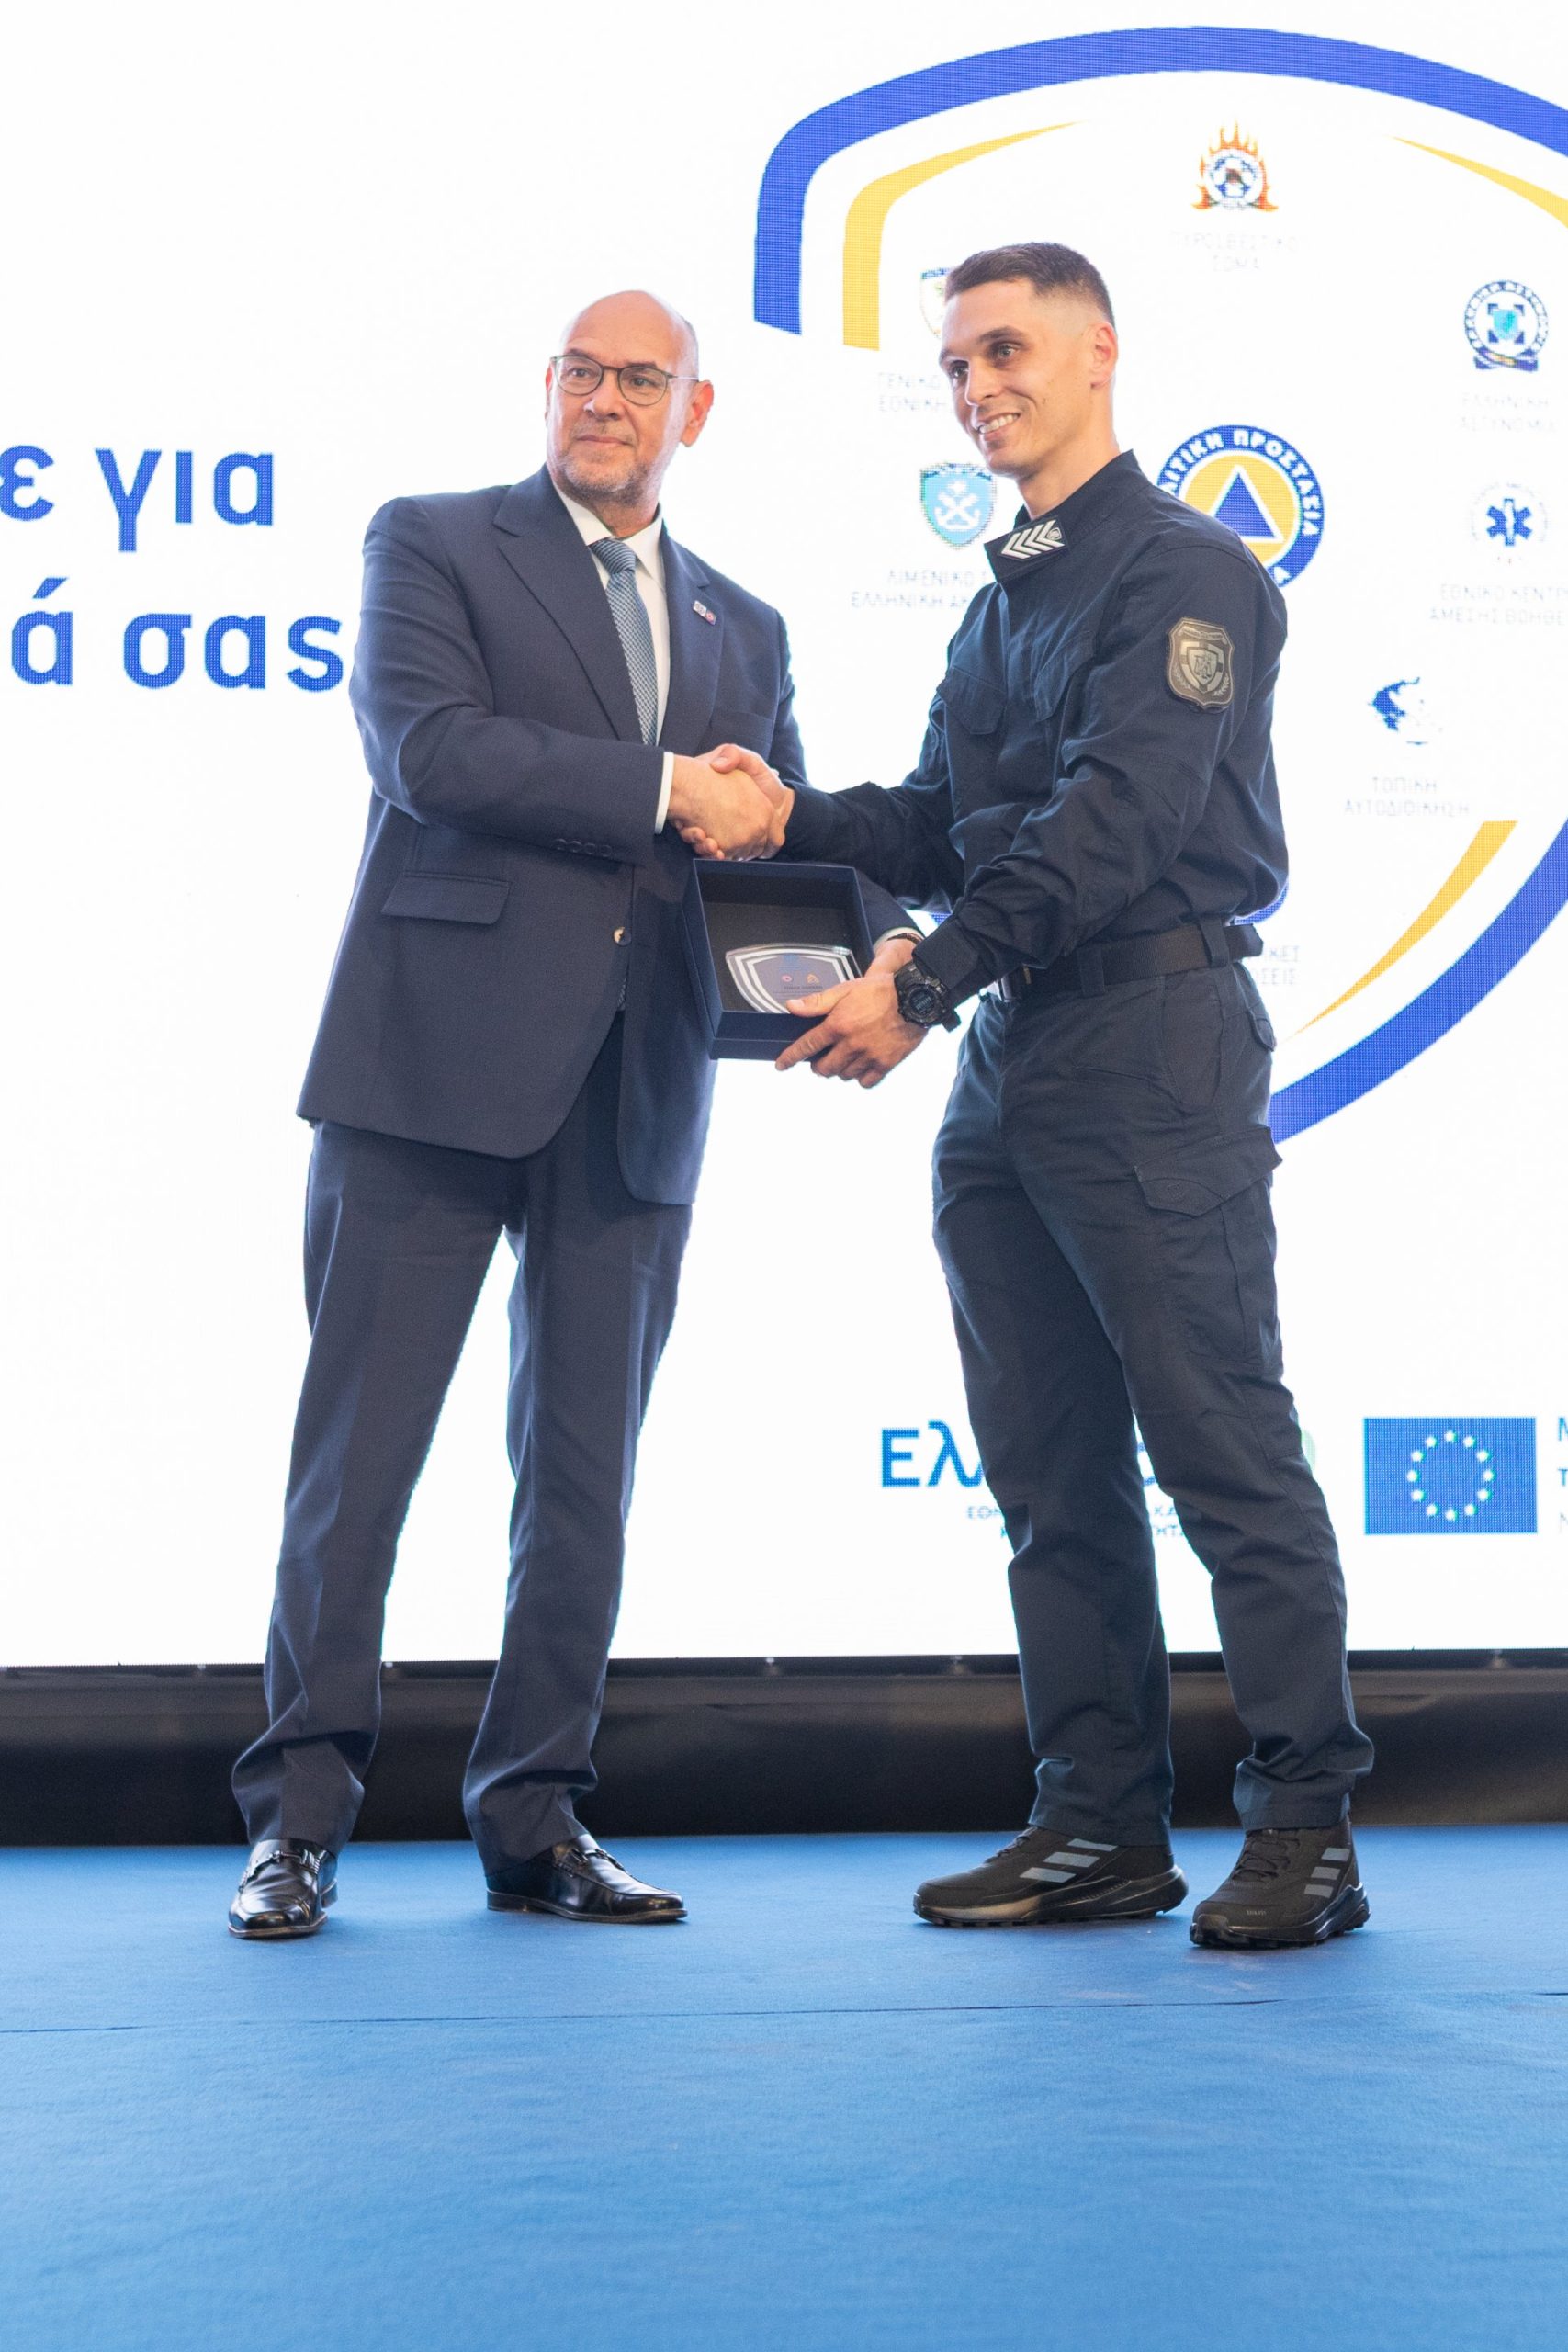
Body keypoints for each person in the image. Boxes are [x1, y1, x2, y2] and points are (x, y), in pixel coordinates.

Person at [708, 243, 1374, 1949]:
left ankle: (1308, 1827)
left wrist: (922, 983)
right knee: (1048, 1471)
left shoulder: (1188, 572)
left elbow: (1115, 824)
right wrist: (792, 821)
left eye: (1005, 350)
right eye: (953, 364)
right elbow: (944, 821)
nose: (976, 386)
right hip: (1017, 1056)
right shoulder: (1005, 596)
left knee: (1222, 1449)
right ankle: (1099, 1828)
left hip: (1152, 1038)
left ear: (1098, 355)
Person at [228, 288, 915, 1939]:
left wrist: (888, 947)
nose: (605, 401)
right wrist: (668, 788)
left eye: (639, 379)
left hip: (639, 1085)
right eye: (582, 374)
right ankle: (295, 1823)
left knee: (584, 1477)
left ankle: (535, 1818)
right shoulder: (433, 541)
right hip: (426, 1071)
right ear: (548, 388)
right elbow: (431, 752)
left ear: (696, 411)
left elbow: (775, 833)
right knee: (356, 1467)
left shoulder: (745, 623)